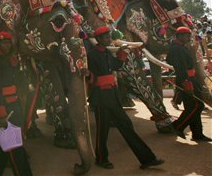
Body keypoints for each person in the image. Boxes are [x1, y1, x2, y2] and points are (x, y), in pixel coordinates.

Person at [84, 26, 164, 170]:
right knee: (102, 131)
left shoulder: (107, 52)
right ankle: (101, 159)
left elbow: (115, 66)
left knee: (126, 125)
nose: (109, 39)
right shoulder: (92, 55)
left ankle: (147, 158)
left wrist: (122, 55)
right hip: (101, 98)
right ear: (99, 39)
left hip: (112, 97)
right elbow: (89, 75)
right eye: (107, 37)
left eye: (109, 36)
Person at [0, 31, 33, 176]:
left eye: (8, 42)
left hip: (14, 108)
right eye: (3, 42)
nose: (6, 45)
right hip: (4, 111)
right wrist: (0, 114)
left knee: (1, 154)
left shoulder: (10, 60)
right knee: (15, 151)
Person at [167, 27, 212, 142]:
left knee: (193, 106)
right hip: (186, 80)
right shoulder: (176, 49)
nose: (188, 37)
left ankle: (197, 133)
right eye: (186, 35)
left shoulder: (180, 47)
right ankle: (177, 126)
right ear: (179, 36)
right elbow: (180, 68)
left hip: (190, 78)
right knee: (197, 105)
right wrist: (187, 82)